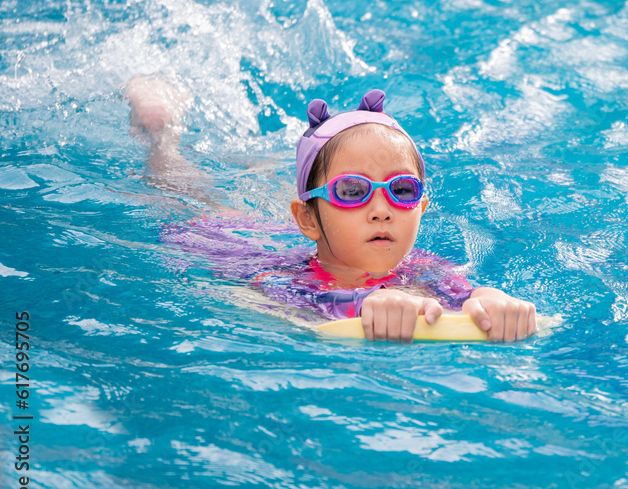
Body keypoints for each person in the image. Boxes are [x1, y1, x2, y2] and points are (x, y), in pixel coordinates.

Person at [124, 75, 537, 343]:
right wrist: (362, 304)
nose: (381, 210)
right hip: (228, 239)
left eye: (402, 189)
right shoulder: (283, 278)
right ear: (308, 218)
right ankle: (160, 135)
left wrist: (490, 300)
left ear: (422, 208)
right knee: (180, 191)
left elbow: (465, 294)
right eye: (353, 191)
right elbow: (298, 304)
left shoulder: (426, 271)